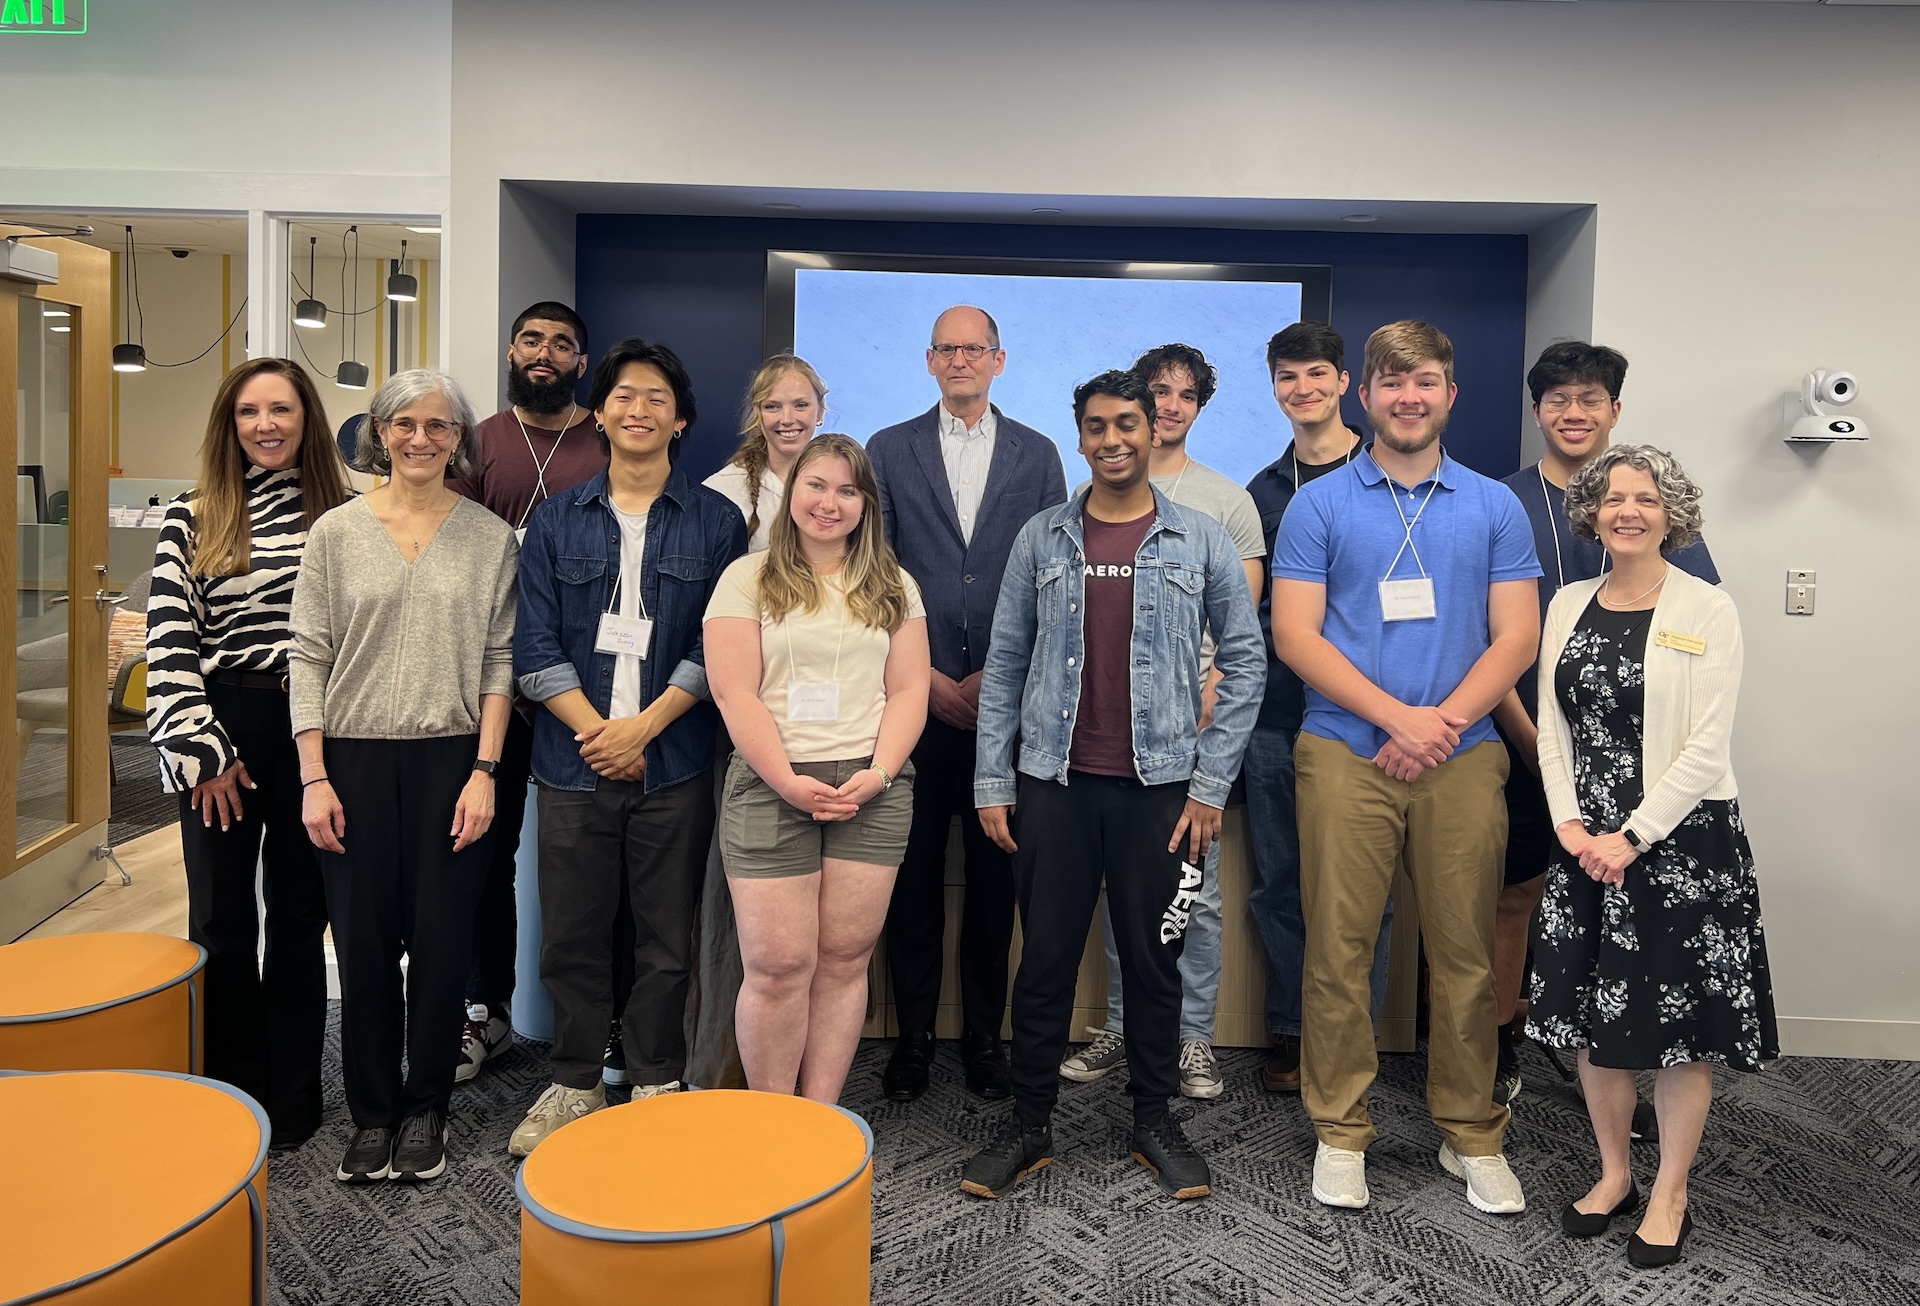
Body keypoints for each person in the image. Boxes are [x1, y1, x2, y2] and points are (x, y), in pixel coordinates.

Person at [963, 370, 1264, 1202]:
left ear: (1153, 427)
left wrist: (1209, 785)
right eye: (1095, 426)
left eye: (1126, 423)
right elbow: (1008, 666)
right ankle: (1028, 1126)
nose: (1112, 439)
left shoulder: (1199, 539)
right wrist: (994, 778)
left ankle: (1153, 1122)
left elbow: (1245, 663)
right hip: (1053, 785)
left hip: (1162, 793)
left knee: (1155, 961)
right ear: (1081, 435)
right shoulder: (1042, 538)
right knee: (1046, 963)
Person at [1272, 320, 1540, 1215]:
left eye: (1424, 381)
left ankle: (1471, 1134)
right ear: (1366, 395)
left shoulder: (1495, 505)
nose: (1408, 397)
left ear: (1449, 394)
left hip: (1465, 758)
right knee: (1340, 950)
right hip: (1345, 752)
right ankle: (1340, 1130)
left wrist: (1442, 725)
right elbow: (1296, 636)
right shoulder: (1318, 505)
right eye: (1391, 383)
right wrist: (1396, 720)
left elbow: (1518, 636)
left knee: (1465, 953)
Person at [1529, 444, 1775, 1268]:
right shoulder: (1566, 602)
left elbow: (1707, 749)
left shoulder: (1708, 607)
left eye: (1646, 498)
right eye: (1613, 498)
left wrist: (1630, 837)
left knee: (1680, 1032)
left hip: (1676, 847)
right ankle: (1613, 1175)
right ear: (1592, 512)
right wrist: (1570, 826)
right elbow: (1552, 729)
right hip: (1584, 846)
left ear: (1673, 514)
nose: (1627, 510)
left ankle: (1670, 1189)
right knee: (1598, 1026)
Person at [507, 339, 748, 1155]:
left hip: (672, 761)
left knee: (663, 935)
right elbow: (534, 648)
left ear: (680, 420)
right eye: (622, 395)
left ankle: (654, 1076)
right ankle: (574, 1082)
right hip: (572, 765)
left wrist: (644, 728)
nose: (637, 409)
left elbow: (721, 646)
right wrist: (598, 733)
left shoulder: (720, 522)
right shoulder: (554, 517)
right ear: (599, 411)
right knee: (570, 934)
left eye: (655, 398)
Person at [291, 369, 519, 1185]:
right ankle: (373, 1111)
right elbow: (308, 656)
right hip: (349, 759)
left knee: (440, 942)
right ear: (379, 433)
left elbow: (500, 662)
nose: (421, 439)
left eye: (439, 426)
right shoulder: (336, 534)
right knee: (361, 942)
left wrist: (486, 769)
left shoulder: (490, 537)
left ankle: (427, 1108)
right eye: (405, 424)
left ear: (460, 439)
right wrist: (313, 776)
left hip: (452, 758)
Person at [1489, 342, 1720, 1111]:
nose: (1574, 413)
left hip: (1638, 765)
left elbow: (1697, 622)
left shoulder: (1648, 496)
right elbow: (1482, 638)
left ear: (1615, 410)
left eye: (1590, 399)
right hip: (1524, 736)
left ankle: (1620, 1057)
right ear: (1538, 412)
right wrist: (1532, 741)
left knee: (1631, 912)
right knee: (1516, 896)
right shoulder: (1504, 501)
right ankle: (1504, 1040)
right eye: (1558, 400)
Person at [146, 357, 352, 1151]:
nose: (265, 425)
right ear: (227, 426)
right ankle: (232, 1093)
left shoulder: (344, 516)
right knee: (223, 920)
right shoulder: (192, 518)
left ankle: (296, 1099)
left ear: (308, 420)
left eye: (282, 409)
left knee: (301, 920)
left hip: (315, 735)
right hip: (221, 729)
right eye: (247, 412)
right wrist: (204, 751)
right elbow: (170, 638)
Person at [868, 305, 1067, 1103]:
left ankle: (987, 1038)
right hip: (912, 708)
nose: (960, 361)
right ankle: (911, 1039)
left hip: (1004, 710)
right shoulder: (887, 449)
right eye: (947, 349)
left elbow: (1055, 572)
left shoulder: (1040, 453)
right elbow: (872, 574)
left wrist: (998, 677)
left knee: (995, 889)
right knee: (909, 884)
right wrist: (927, 677)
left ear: (999, 359)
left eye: (973, 349)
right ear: (928, 361)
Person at [1059, 343, 1263, 1102]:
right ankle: (1123, 1025)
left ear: (1196, 407)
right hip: (1109, 733)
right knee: (1124, 887)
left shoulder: (1224, 501)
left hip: (1191, 731)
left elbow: (1237, 629)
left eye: (1183, 396)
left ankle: (1192, 1038)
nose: (1169, 406)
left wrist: (1208, 695)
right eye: (1157, 393)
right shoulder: (1083, 497)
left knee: (1189, 893)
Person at [705, 433, 930, 1102]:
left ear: (866, 504)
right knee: (777, 967)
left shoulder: (893, 583)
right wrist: (787, 781)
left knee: (842, 961)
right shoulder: (745, 577)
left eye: (847, 490)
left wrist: (882, 774)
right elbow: (733, 691)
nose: (828, 503)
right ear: (791, 490)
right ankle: (774, 1126)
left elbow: (911, 691)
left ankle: (820, 1117)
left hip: (872, 788)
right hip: (773, 786)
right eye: (816, 485)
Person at [446, 301, 605, 1086]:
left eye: (562, 345)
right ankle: (488, 1011)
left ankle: (601, 1021)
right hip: (490, 676)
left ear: (582, 359)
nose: (545, 354)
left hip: (583, 681)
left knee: (597, 855)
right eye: (532, 341)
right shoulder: (477, 443)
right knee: (487, 849)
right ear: (511, 350)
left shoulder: (605, 438)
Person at [1241, 323, 1394, 1097]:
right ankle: (1295, 1031)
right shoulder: (1262, 490)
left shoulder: (1389, 475)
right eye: (1286, 377)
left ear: (1344, 384)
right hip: (1276, 717)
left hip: (1367, 716)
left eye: (1315, 375)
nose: (1302, 389)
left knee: (1363, 891)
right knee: (1281, 885)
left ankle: (1351, 1036)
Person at [704, 354, 829, 551]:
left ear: (820, 410)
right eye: (772, 406)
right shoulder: (721, 491)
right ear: (757, 413)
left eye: (801, 405)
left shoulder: (845, 484)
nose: (787, 418)